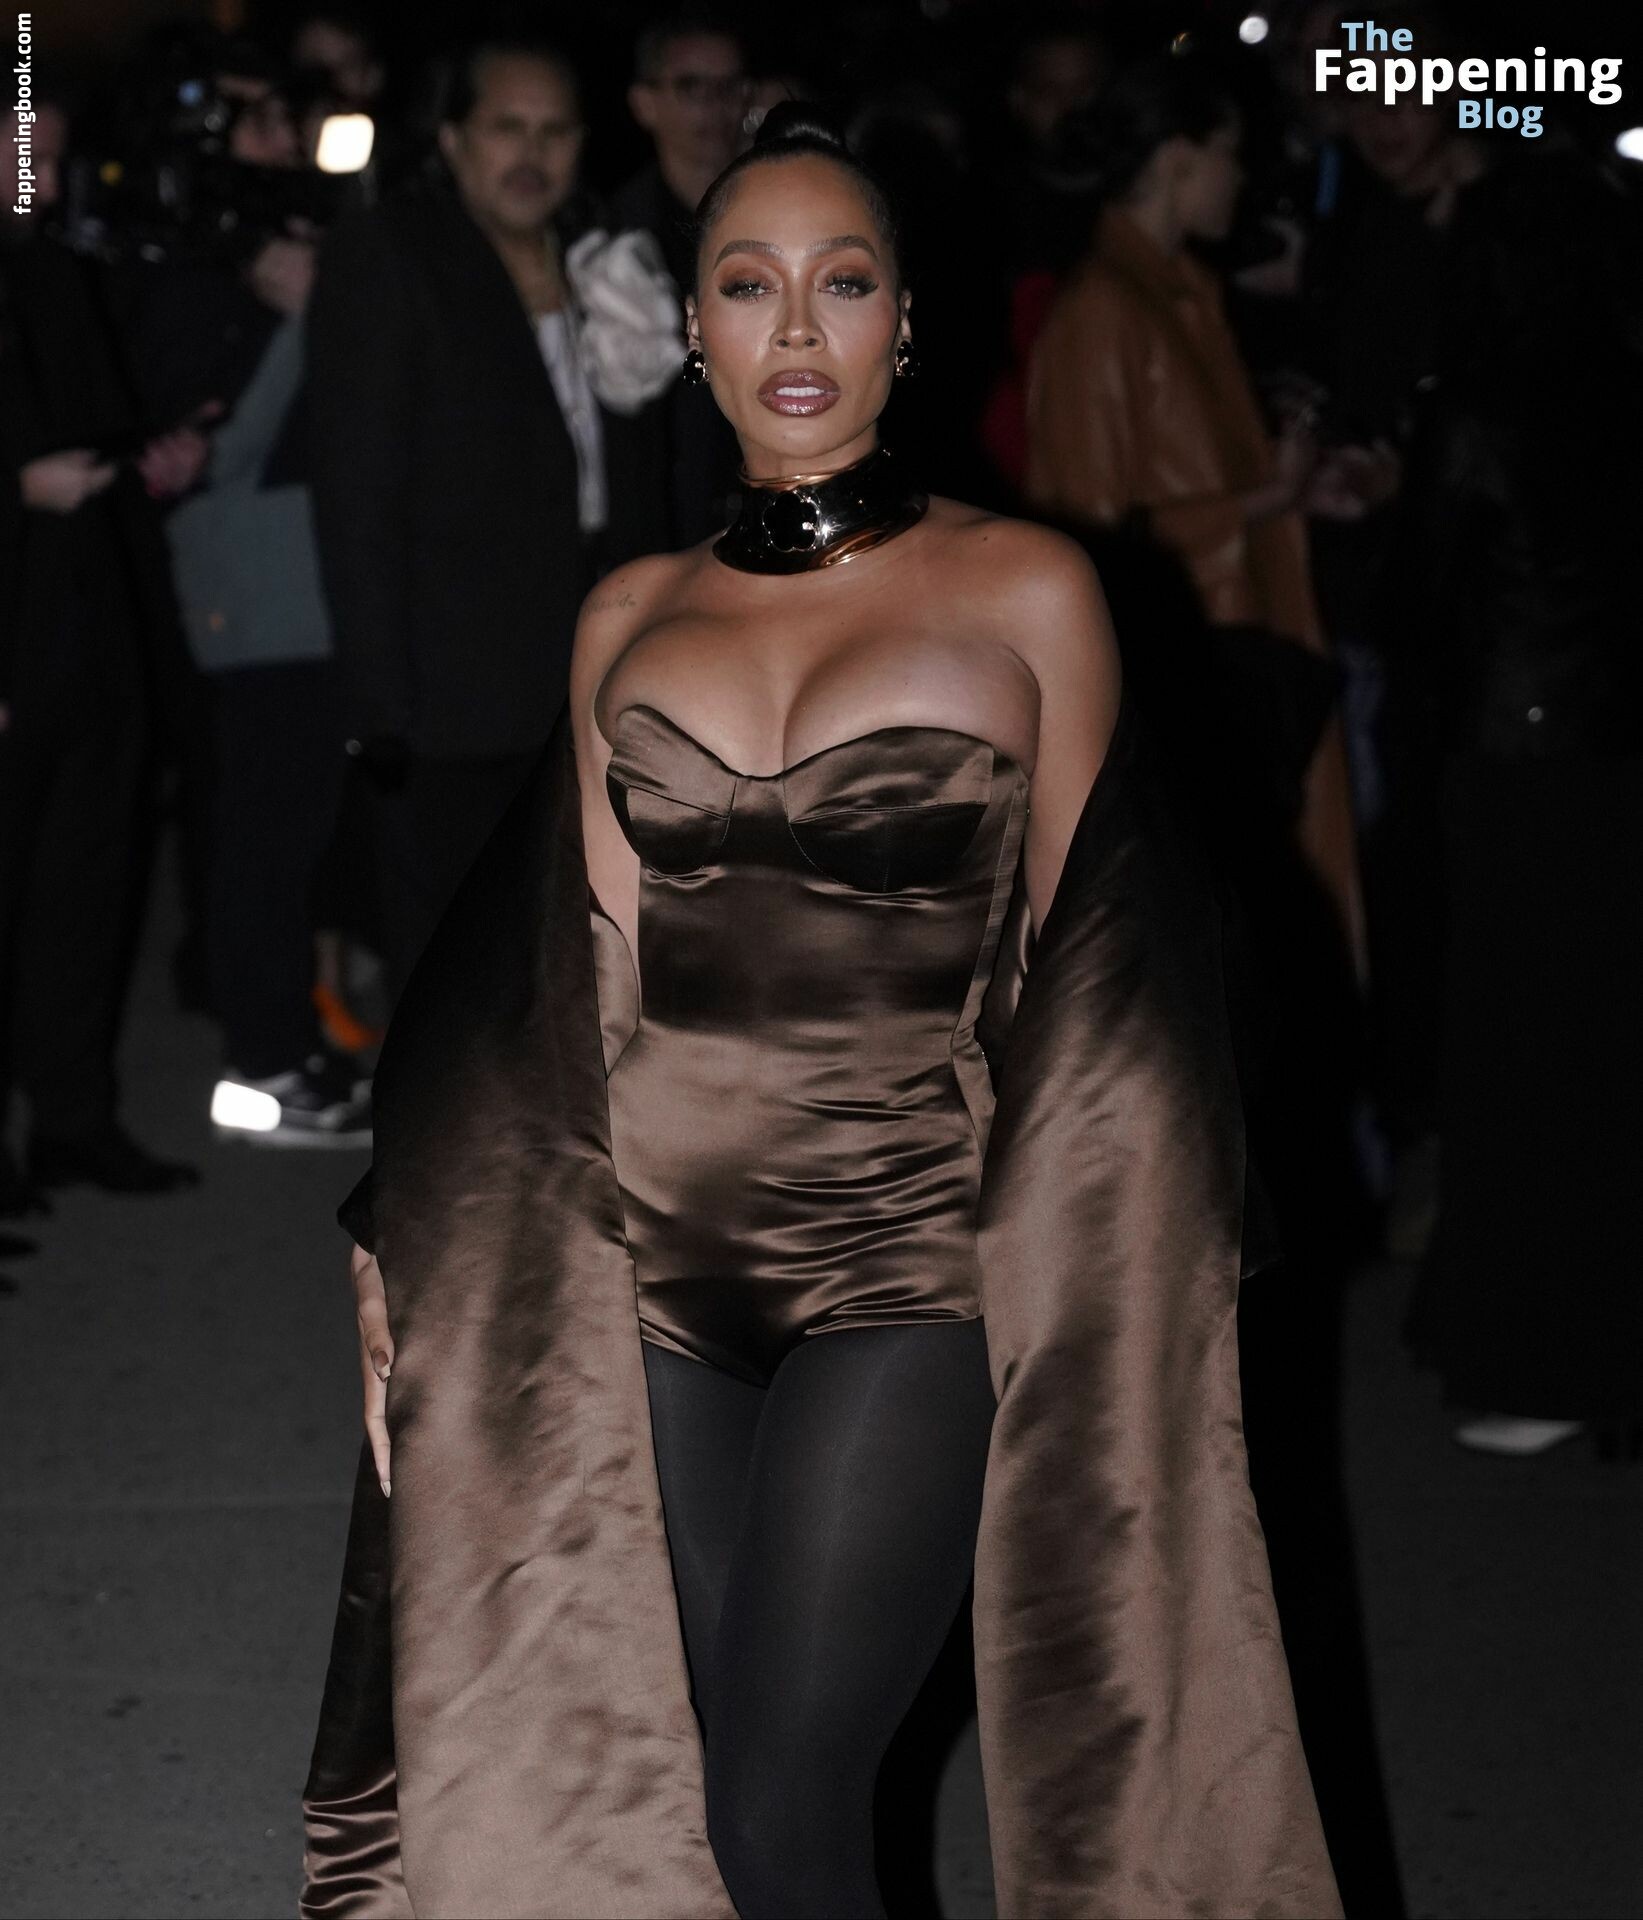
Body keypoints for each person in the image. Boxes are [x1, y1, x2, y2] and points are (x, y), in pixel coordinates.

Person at [300, 103, 1340, 1919]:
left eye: (841, 283)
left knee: (786, 1793)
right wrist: (409, 1246)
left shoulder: (1027, 590)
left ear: (903, 326)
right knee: (719, 1787)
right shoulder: (625, 614)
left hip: (908, 1265)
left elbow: (1105, 978)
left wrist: (1117, 1277)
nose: (794, 328)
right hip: (649, 1275)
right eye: (746, 285)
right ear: (689, 329)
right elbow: (558, 992)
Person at [305, 34, 668, 1010]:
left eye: (554, 131)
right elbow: (356, 497)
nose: (531, 154)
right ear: (453, 139)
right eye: (507, 127)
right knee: (453, 965)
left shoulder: (600, 260)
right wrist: (381, 706)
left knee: (572, 949)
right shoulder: (395, 256)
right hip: (450, 690)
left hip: (583, 666)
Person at [118, 44, 371, 1146]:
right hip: (254, 593)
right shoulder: (184, 258)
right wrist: (300, 314)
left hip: (304, 584)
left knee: (291, 830)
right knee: (264, 837)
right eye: (262, 120)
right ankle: (264, 1068)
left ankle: (285, 1050)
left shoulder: (274, 240)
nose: (288, 140)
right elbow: (203, 453)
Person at [0, 97, 202, 1210]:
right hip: (18, 633)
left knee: (82, 894)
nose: (46, 171)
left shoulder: (55, 271)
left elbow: (95, 428)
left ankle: (71, 1122)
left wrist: (154, 456)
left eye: (56, 153)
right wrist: (18, 488)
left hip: (87, 634)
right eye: (27, 147)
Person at [614, 9, 749, 546]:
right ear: (644, 103)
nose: (716, 106)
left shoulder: (778, 220)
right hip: (661, 529)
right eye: (692, 87)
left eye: (729, 86)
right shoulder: (611, 240)